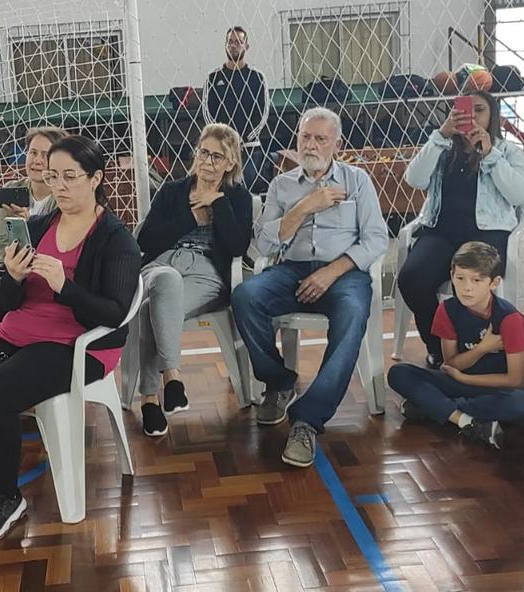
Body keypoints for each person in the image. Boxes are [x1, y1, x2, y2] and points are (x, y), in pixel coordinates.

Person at [0, 136, 140, 544]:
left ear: (96, 178)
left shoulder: (116, 239)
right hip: (21, 329)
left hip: (80, 344)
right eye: (53, 176)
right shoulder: (37, 227)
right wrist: (11, 278)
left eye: (70, 177)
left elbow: (114, 315)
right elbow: (6, 305)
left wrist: (66, 287)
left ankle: (5, 496)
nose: (59, 186)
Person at [231, 107, 387, 468]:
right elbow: (264, 244)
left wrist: (332, 272)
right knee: (245, 296)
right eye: (305, 137)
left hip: (343, 271)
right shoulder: (281, 185)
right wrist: (304, 207)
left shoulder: (357, 181)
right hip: (292, 269)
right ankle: (279, 382)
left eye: (320, 138)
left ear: (337, 144)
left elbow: (376, 239)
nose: (311, 145)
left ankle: (308, 420)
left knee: (353, 313)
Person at [131, 123, 253, 436]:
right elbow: (146, 239)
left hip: (206, 272)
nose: (207, 162)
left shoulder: (238, 197)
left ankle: (149, 398)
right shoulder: (173, 191)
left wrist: (218, 203)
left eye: (217, 157)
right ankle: (172, 377)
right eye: (203, 153)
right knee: (166, 279)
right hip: (161, 264)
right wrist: (192, 218)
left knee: (149, 309)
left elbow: (237, 246)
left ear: (230, 163)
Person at [397, 90, 524, 366]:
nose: (471, 117)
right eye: (462, 111)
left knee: (473, 284)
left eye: (479, 110)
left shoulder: (508, 151)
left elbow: (520, 194)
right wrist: (440, 135)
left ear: (493, 116)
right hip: (440, 232)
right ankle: (440, 349)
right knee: (411, 279)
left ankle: (477, 349)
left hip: (487, 234)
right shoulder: (443, 148)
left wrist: (490, 154)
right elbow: (414, 179)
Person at [387, 242, 524, 449]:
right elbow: (452, 364)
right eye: (460, 278)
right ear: (452, 275)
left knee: (520, 403)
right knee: (398, 373)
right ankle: (465, 420)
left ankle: (432, 407)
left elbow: (516, 380)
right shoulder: (447, 310)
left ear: (494, 282)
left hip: (497, 388)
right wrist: (481, 349)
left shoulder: (509, 319)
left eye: (476, 280)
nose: (466, 288)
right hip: (457, 383)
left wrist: (465, 378)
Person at [203, 26, 271, 193]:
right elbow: (208, 113)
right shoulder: (214, 77)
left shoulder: (257, 77)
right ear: (225, 45)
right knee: (221, 192)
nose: (234, 45)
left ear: (246, 46)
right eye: (230, 42)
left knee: (248, 194)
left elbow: (263, 113)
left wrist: (243, 138)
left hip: (249, 148)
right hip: (221, 148)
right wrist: (224, 138)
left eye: (239, 42)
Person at [0, 127, 66, 252]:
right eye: (33, 153)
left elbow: (59, 247)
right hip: (12, 263)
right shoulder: (12, 189)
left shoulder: (65, 196)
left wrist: (28, 225)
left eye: (45, 155)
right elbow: (2, 244)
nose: (37, 160)